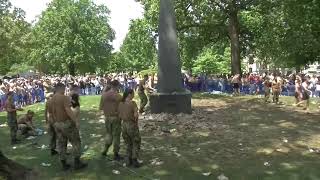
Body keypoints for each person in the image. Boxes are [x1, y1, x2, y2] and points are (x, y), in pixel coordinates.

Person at [51, 83, 87, 171]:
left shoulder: (52, 98)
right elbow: (68, 110)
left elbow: (52, 112)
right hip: (66, 123)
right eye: (64, 88)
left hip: (57, 123)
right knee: (76, 142)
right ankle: (77, 163)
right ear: (61, 88)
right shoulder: (63, 97)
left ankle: (64, 164)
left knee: (61, 144)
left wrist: (55, 122)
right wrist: (76, 121)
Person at [99, 80, 122, 160]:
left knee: (109, 134)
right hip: (115, 117)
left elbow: (101, 107)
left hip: (107, 117)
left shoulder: (104, 95)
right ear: (117, 86)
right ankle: (116, 153)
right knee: (116, 136)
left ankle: (105, 150)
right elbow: (121, 108)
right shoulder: (118, 96)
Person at [118, 89, 141, 168]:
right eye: (133, 94)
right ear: (129, 94)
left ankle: (128, 160)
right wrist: (136, 123)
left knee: (128, 143)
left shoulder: (120, 103)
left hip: (124, 124)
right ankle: (134, 159)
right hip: (131, 124)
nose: (134, 95)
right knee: (136, 141)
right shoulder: (132, 103)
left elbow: (119, 115)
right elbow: (136, 115)